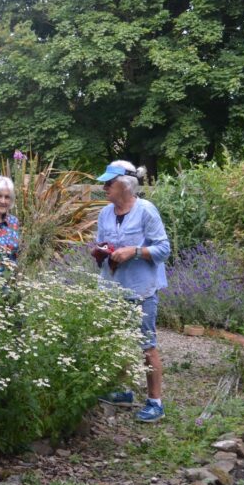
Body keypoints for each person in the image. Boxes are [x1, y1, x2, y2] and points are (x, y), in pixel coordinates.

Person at [94, 160, 171, 422]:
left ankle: (155, 402)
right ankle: (124, 392)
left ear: (126, 186)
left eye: (109, 183)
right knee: (116, 341)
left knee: (146, 346)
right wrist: (101, 249)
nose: (104, 187)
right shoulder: (105, 213)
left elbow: (163, 249)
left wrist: (134, 252)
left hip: (141, 289)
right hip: (111, 287)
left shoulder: (146, 211)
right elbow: (102, 241)